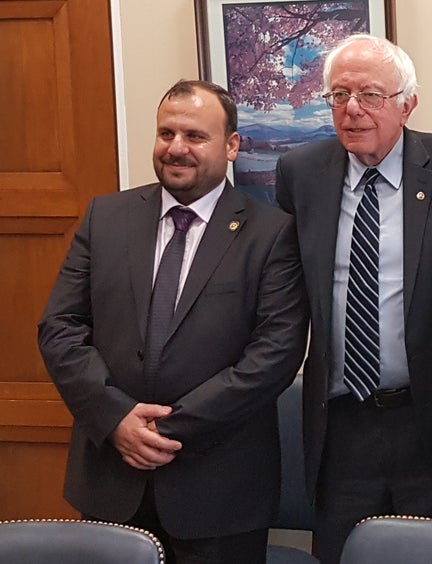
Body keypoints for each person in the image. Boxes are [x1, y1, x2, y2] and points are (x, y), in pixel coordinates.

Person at [38, 79, 308, 564]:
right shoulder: (107, 216)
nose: (176, 149)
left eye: (195, 136)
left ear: (231, 146)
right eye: (166, 134)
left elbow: (274, 356)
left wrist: (165, 429)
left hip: (220, 495)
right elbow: (60, 327)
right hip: (110, 482)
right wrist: (115, 417)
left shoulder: (271, 233)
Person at [275, 34, 432, 563]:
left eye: (370, 94)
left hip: (429, 416)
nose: (352, 109)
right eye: (339, 95)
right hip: (341, 422)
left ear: (407, 103)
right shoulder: (300, 172)